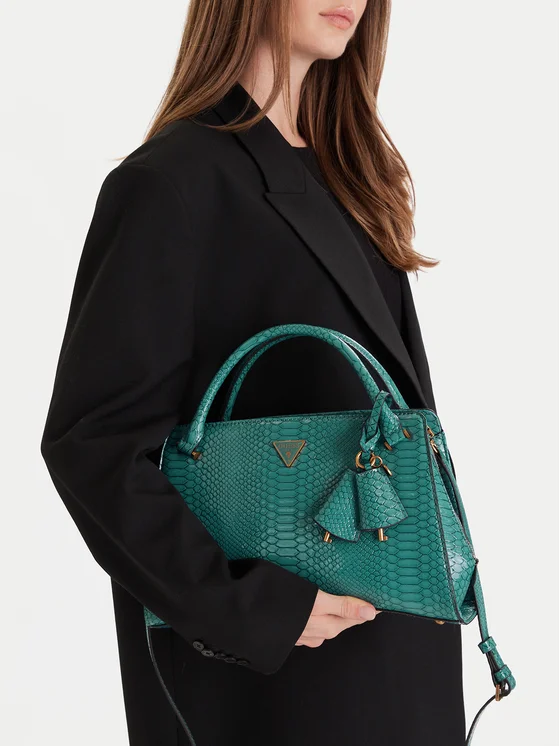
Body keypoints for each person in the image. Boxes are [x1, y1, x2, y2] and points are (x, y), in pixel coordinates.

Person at [40, 1, 465, 744]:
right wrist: (256, 608)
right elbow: (95, 447)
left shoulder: (355, 178)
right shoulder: (171, 183)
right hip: (278, 688)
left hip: (398, 663)